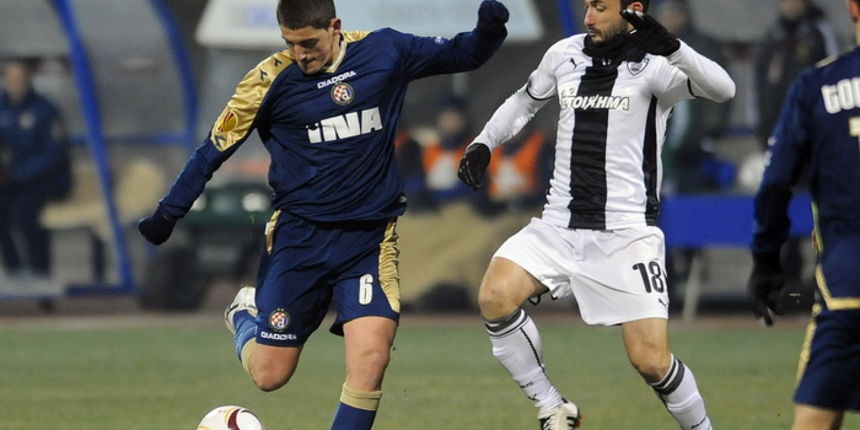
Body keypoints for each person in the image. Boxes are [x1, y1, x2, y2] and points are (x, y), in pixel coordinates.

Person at [137, 0, 508, 428]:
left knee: (372, 355)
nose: (300, 54)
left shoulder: (384, 50)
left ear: (334, 26)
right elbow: (212, 151)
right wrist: (167, 214)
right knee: (270, 375)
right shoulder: (266, 81)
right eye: (290, 44)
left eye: (308, 43)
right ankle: (244, 314)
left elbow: (465, 53)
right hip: (299, 241)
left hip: (368, 240)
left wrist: (490, 26)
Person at [457, 0, 735, 428]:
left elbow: (724, 89)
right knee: (494, 296)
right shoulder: (563, 54)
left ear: (633, 9)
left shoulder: (656, 65)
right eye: (587, 6)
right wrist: (484, 142)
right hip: (558, 225)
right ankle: (553, 407)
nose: (588, 18)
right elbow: (524, 101)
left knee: (650, 362)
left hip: (625, 234)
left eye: (600, 7)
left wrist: (674, 47)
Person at [747, 1, 860, 428]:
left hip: (847, 285)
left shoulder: (818, 83)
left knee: (815, 419)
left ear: (851, 8)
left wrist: (765, 264)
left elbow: (775, 186)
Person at [0, 59, 71, 281]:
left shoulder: (45, 110)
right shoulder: (3, 108)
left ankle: (40, 271)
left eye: (19, 79)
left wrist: (16, 174)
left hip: (48, 181)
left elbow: (54, 154)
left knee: (25, 212)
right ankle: (14, 269)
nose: (14, 84)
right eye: (10, 79)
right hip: (15, 181)